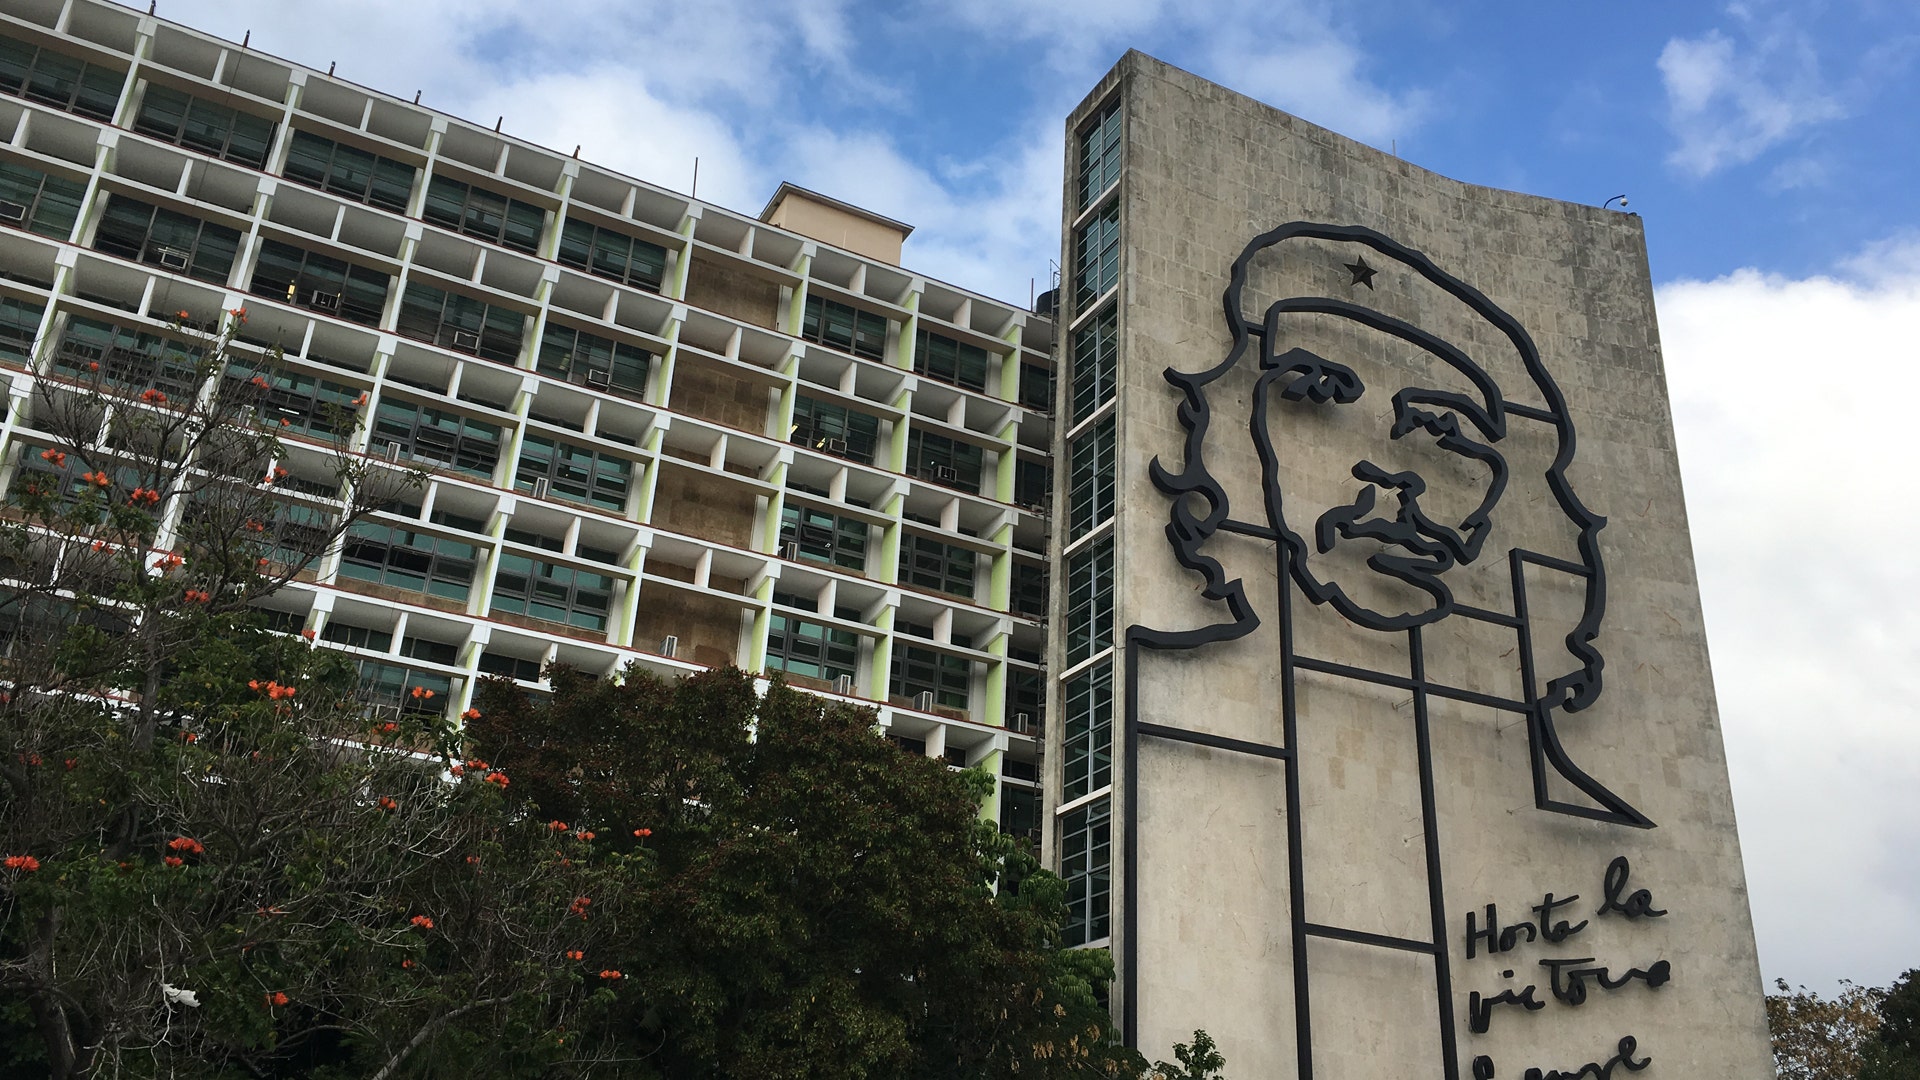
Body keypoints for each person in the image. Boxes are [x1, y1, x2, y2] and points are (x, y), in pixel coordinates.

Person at [1121, 222, 1650, 1075]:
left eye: (1445, 435)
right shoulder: (1152, 719)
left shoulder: (1571, 796)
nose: (1387, 471)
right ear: (1228, 426)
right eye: (1316, 393)